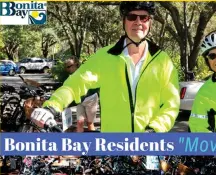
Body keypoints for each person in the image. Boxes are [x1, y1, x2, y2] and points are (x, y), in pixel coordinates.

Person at [31, 2, 180, 132]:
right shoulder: (105, 57)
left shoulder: (163, 61)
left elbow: (171, 104)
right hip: (114, 147)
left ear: (150, 22)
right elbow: (75, 84)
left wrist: (155, 130)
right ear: (124, 21)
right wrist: (52, 106)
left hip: (150, 146)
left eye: (144, 17)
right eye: (132, 17)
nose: (138, 22)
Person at [63, 56, 99, 132]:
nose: (68, 69)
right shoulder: (71, 77)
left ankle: (93, 140)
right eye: (66, 67)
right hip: (80, 101)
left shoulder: (85, 72)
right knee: (80, 122)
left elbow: (95, 83)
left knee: (90, 123)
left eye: (69, 66)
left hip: (91, 100)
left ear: (76, 64)